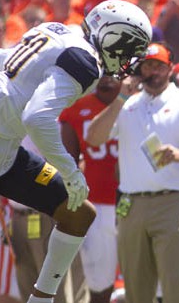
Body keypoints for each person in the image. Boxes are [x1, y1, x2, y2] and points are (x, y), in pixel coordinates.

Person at [0, 0, 152, 303]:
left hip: (3, 152)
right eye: (130, 47)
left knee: (78, 213)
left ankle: (42, 299)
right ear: (113, 36)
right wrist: (70, 171)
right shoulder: (85, 63)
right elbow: (36, 118)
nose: (130, 59)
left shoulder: (58, 32)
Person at [85, 42, 179, 303]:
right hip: (132, 204)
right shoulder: (128, 104)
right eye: (148, 65)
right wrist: (119, 100)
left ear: (169, 69)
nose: (153, 71)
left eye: (158, 66)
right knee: (136, 288)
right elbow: (93, 137)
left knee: (176, 286)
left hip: (174, 202)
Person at [59, 75, 122, 303]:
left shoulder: (139, 103)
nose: (108, 77)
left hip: (137, 200)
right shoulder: (77, 108)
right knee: (99, 284)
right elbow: (67, 163)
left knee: (143, 280)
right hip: (96, 204)